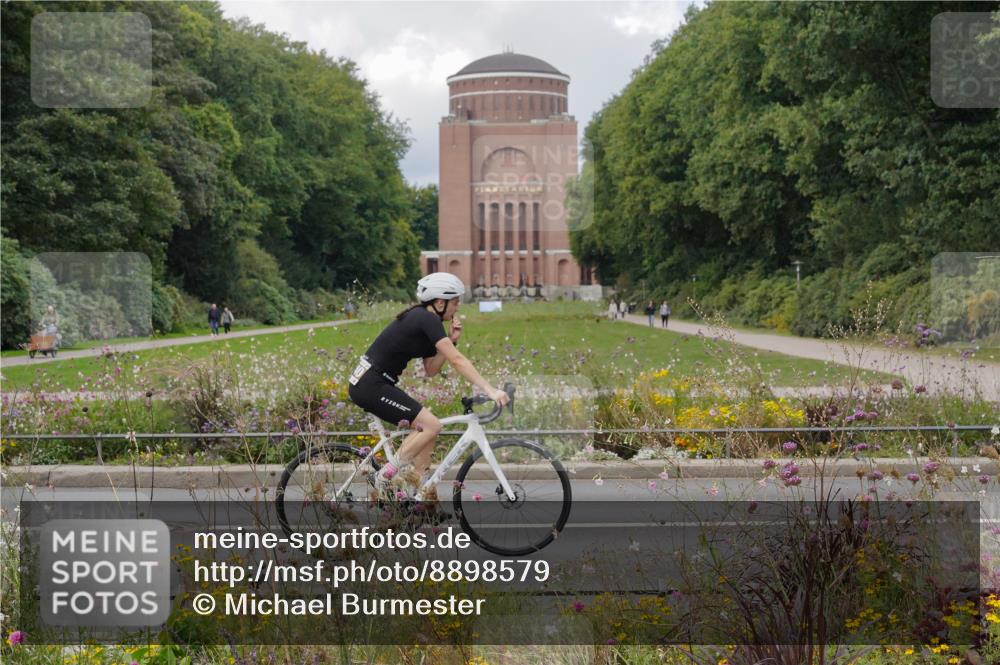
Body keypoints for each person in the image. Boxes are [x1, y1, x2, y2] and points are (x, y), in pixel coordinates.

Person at [347, 272, 510, 500]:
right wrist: (490, 390)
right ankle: (384, 476)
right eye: (455, 302)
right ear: (440, 302)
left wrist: (451, 340)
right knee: (430, 425)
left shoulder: (427, 322)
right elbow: (457, 360)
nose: (457, 308)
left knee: (428, 431)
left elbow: (431, 369)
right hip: (371, 384)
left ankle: (418, 497)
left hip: (374, 382)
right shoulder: (425, 319)